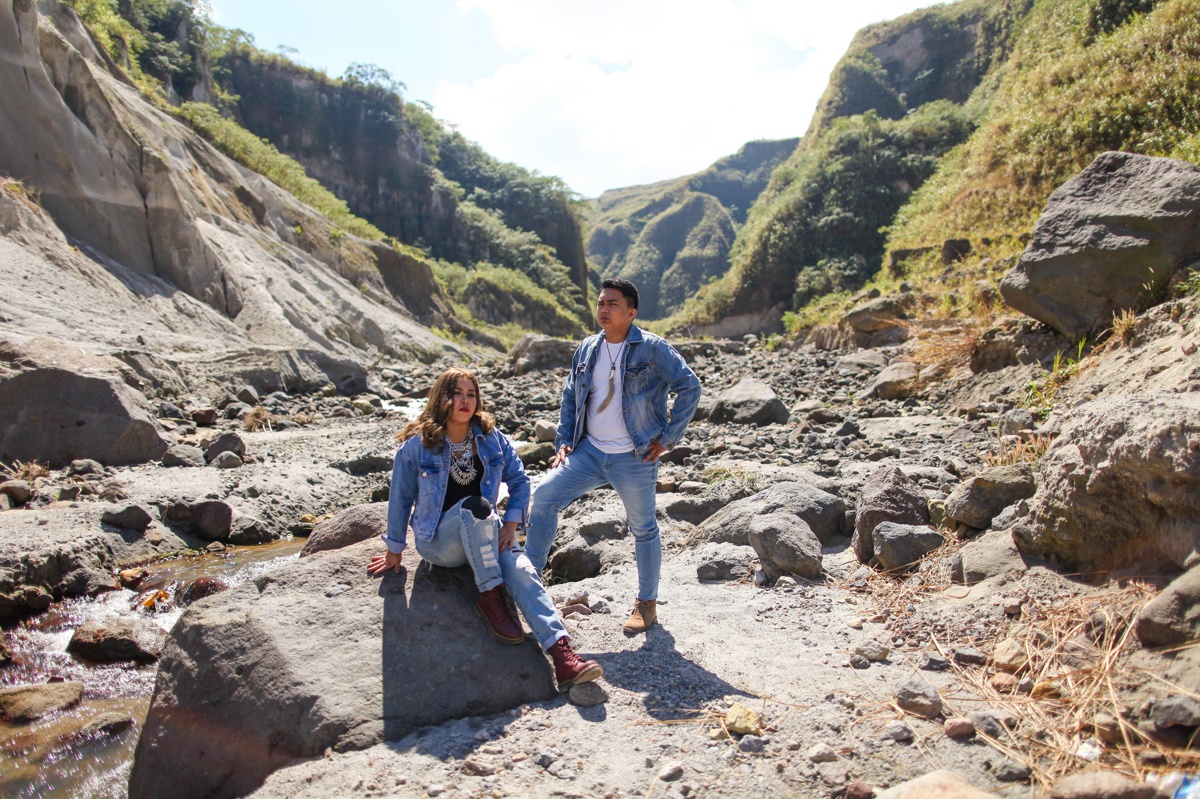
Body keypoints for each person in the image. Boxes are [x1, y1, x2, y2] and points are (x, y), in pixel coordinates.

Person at [368, 367, 602, 689]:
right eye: (457, 394)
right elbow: (400, 498)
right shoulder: (418, 447)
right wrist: (395, 550)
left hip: (486, 534)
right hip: (440, 543)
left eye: (471, 394)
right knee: (476, 507)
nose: (464, 401)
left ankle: (563, 658)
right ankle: (490, 595)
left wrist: (511, 524)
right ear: (442, 399)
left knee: (521, 569)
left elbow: (520, 481)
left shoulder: (491, 440)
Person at [525, 278, 701, 635]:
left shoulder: (652, 348)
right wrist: (564, 440)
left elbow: (690, 386)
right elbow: (572, 396)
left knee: (643, 528)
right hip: (589, 451)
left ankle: (646, 604)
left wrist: (667, 438)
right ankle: (529, 589)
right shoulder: (588, 347)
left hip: (635, 456)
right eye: (601, 302)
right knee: (542, 497)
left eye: (613, 304)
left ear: (631, 312)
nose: (603, 309)